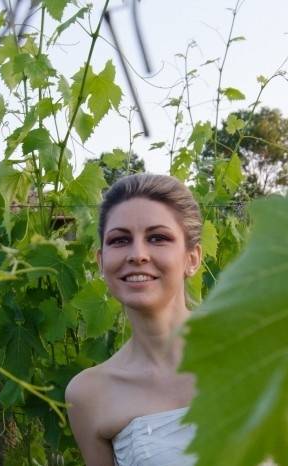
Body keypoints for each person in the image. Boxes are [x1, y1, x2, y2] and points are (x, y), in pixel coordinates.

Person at [65, 173, 203, 466]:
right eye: (120, 240)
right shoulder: (89, 394)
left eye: (158, 238)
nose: (137, 254)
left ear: (192, 258)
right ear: (102, 262)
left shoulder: (261, 354)